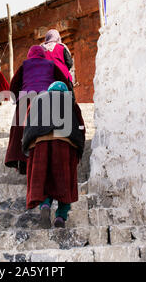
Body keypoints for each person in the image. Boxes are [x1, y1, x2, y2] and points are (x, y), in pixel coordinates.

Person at [22, 81, 85, 228]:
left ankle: (45, 206)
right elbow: (81, 126)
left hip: (40, 144)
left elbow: (28, 123)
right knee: (65, 181)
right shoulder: (71, 103)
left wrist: (28, 145)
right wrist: (79, 148)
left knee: (45, 178)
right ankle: (61, 217)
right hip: (65, 143)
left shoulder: (38, 101)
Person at [5, 45, 72, 174]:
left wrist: (16, 98)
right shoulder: (51, 64)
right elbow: (63, 80)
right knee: (46, 130)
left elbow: (13, 85)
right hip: (46, 98)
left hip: (26, 99)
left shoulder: (25, 66)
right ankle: (47, 162)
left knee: (20, 128)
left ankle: (22, 163)